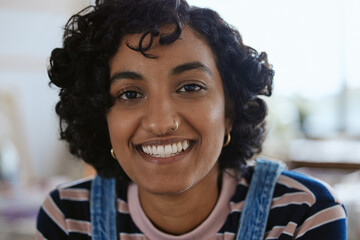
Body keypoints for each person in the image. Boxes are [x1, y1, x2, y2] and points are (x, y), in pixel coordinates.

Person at [36, 0, 347, 239]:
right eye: (129, 94)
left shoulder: (303, 213)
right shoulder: (68, 218)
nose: (161, 123)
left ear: (230, 110)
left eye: (190, 87)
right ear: (99, 116)